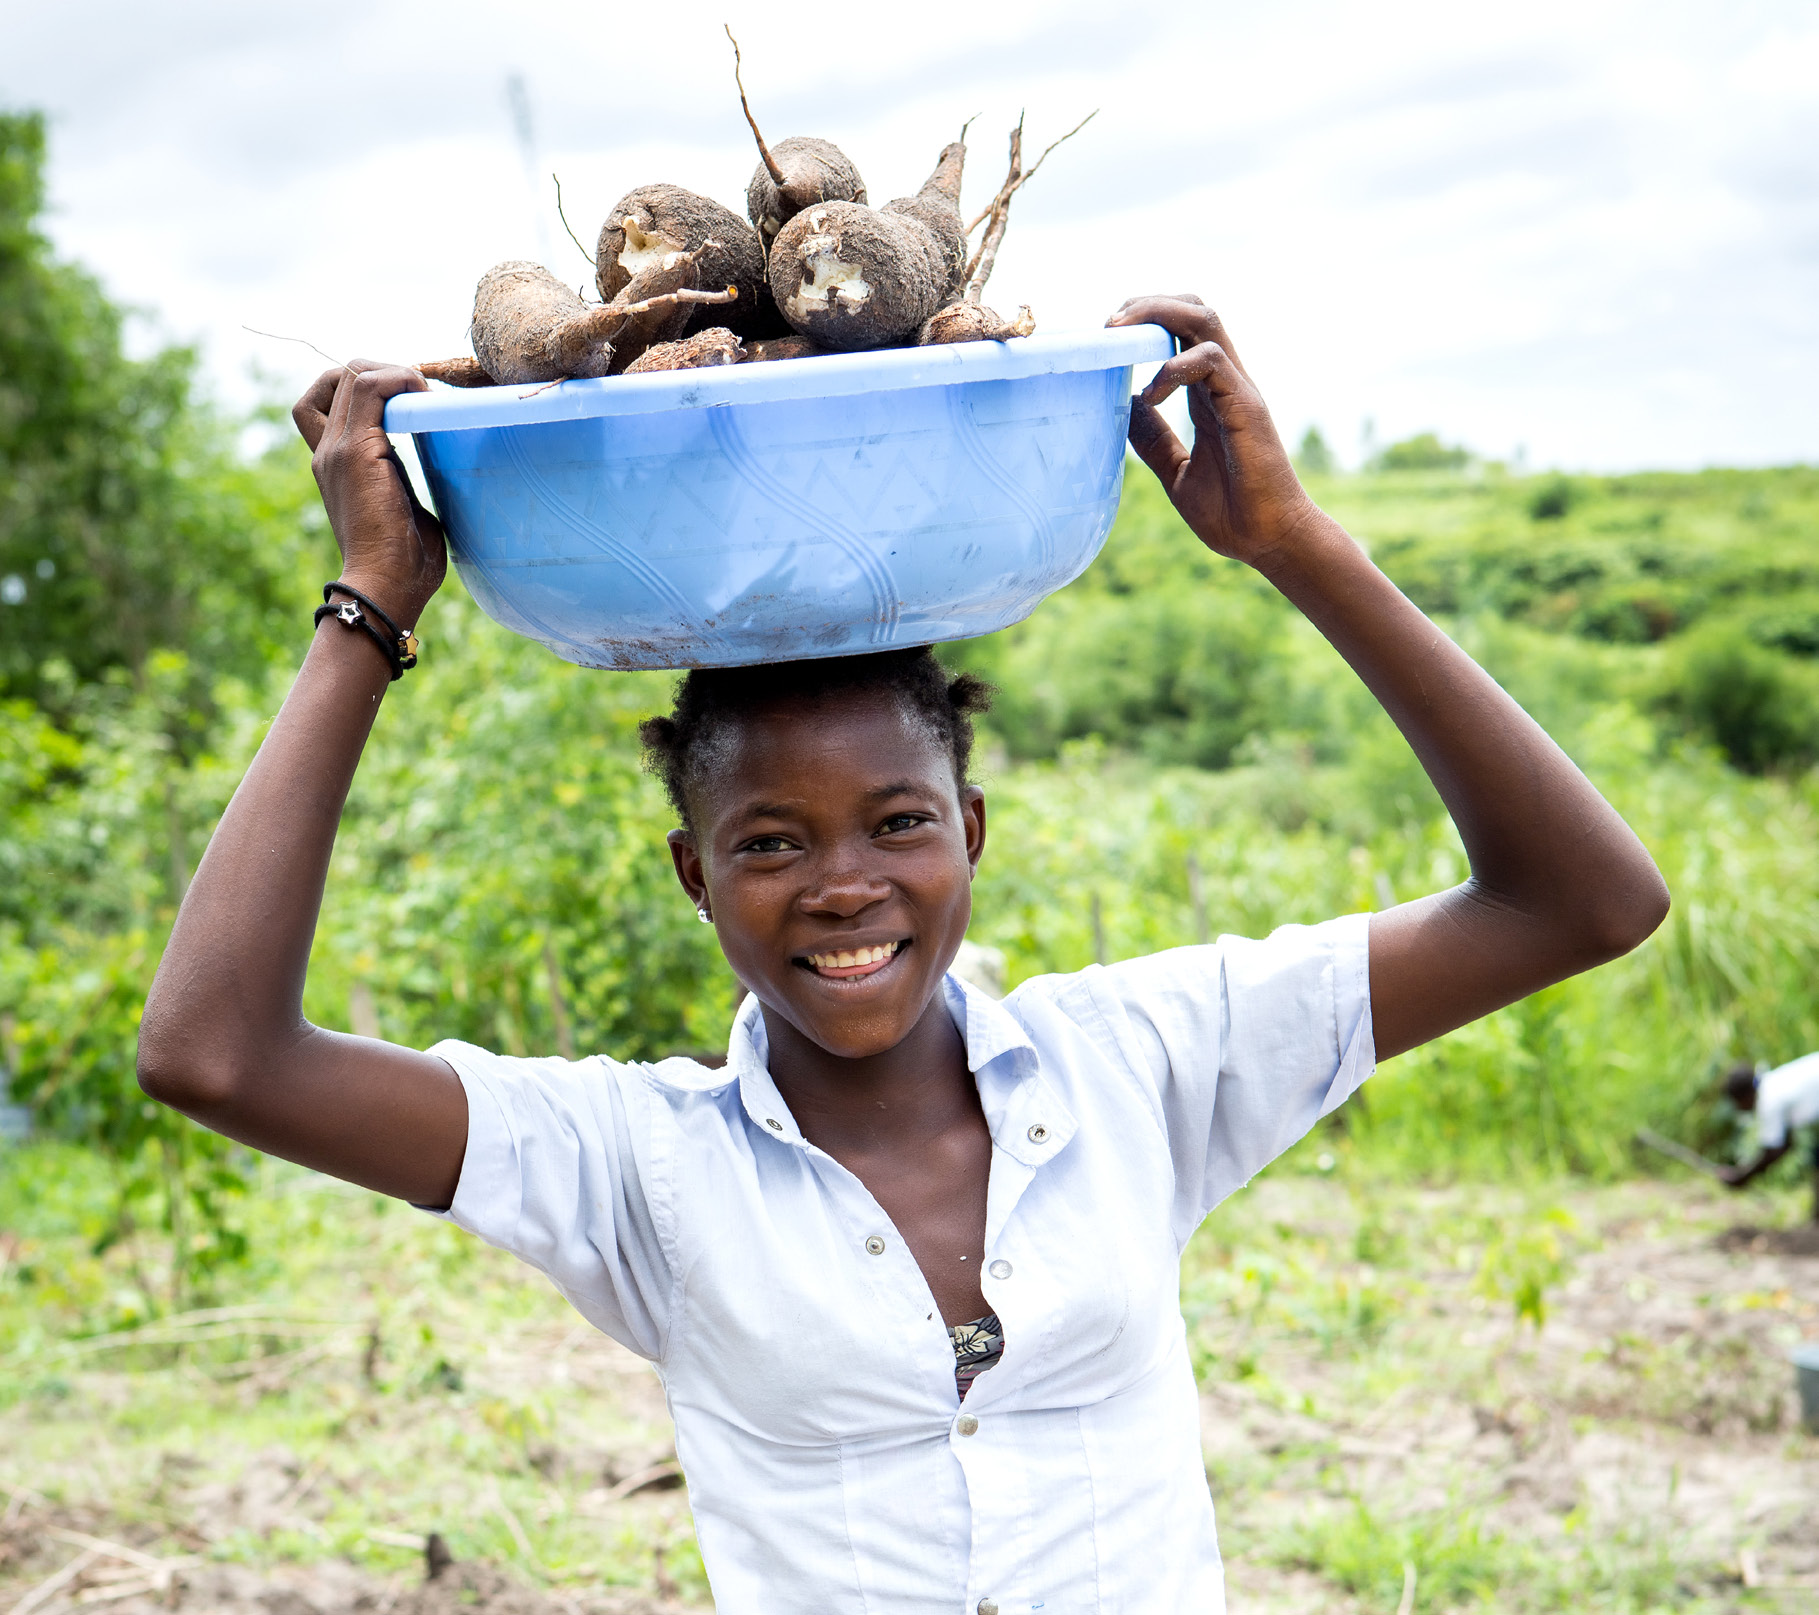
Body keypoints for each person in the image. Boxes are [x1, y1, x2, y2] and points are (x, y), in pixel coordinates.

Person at [137, 295, 1669, 1614]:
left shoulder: (1134, 1060)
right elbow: (215, 1053)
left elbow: (1577, 900)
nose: (843, 886)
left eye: (894, 822)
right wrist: (370, 607)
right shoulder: (635, 1163)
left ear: (971, 830)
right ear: (694, 872)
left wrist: (1290, 542)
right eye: (769, 842)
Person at [1720, 1054, 1819, 1220]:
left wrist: (1742, 1177)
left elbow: (1773, 1151)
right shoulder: (1773, 1084)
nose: (1739, 1109)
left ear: (1745, 1096)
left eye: (1737, 1103)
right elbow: (1786, 1144)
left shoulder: (1769, 1101)